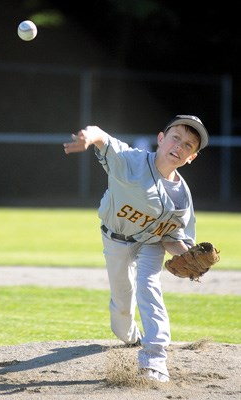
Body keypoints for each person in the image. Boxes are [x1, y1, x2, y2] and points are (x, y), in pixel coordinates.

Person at [63, 114, 209, 383]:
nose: (180, 146)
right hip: (114, 240)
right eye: (176, 137)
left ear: (192, 157)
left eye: (189, 145)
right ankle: (131, 336)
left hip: (150, 244)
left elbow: (171, 239)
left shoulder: (181, 199)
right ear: (161, 139)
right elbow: (101, 134)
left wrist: (188, 256)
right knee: (121, 309)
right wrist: (88, 137)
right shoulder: (130, 161)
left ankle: (155, 358)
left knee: (148, 284)